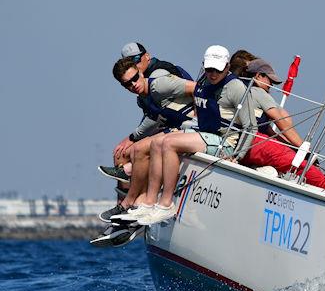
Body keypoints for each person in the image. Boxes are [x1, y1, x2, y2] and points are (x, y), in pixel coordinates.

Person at [118, 45, 257, 225]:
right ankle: (149, 203)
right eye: (209, 69)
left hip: (225, 142)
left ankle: (166, 205)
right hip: (204, 133)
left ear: (227, 67)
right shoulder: (204, 82)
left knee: (168, 144)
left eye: (218, 70)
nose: (213, 74)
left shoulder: (236, 87)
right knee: (157, 143)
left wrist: (236, 156)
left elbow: (250, 127)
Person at [91, 57, 196, 245]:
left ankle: (130, 201)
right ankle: (130, 208)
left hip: (195, 128)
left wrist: (198, 116)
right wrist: (132, 137)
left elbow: (198, 90)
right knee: (135, 149)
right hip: (180, 129)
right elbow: (153, 118)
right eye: (128, 84)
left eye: (135, 79)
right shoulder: (145, 97)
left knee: (141, 149)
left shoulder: (159, 85)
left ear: (141, 72)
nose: (133, 85)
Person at [238, 58, 325, 192]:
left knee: (287, 153)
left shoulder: (239, 87)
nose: (271, 86)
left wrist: (290, 146)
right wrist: (305, 152)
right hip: (252, 142)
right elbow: (283, 124)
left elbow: (268, 130)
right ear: (258, 76)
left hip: (241, 139)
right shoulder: (259, 92)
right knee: (301, 166)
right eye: (270, 81)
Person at [100, 42, 193, 184]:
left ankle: (138, 198)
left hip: (184, 124)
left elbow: (158, 117)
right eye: (130, 62)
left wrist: (134, 137)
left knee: (138, 149)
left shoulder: (158, 77)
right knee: (121, 153)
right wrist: (133, 137)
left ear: (147, 56)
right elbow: (152, 115)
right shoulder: (141, 85)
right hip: (170, 123)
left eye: (136, 60)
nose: (134, 65)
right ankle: (125, 202)